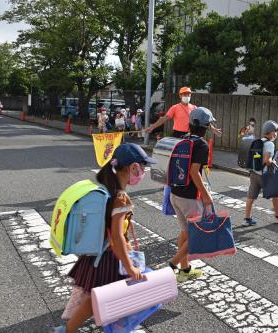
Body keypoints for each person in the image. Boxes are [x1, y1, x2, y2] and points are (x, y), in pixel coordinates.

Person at [48, 143, 156, 333]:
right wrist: (130, 266)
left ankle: (67, 330)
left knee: (94, 299)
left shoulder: (109, 188)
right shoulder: (120, 198)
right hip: (109, 259)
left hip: (99, 256)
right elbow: (116, 237)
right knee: (103, 299)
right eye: (143, 167)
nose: (144, 171)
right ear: (133, 167)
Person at [168, 107, 215, 282]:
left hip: (175, 193)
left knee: (185, 232)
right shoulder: (201, 144)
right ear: (206, 125)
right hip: (189, 197)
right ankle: (172, 265)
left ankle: (185, 270)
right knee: (196, 234)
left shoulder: (182, 140)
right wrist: (206, 195)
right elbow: (195, 172)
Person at [244, 120, 278, 226]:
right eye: (276, 131)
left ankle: (247, 218)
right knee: (275, 194)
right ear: (271, 132)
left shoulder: (259, 141)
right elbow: (267, 160)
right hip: (265, 175)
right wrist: (276, 162)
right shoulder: (270, 144)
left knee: (251, 196)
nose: (276, 134)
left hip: (254, 173)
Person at [145, 87, 221, 138]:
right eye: (184, 94)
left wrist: (213, 129)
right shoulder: (175, 107)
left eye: (188, 94)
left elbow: (203, 120)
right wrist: (152, 127)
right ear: (180, 96)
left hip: (191, 135)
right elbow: (164, 119)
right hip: (178, 135)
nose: (187, 96)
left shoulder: (194, 108)